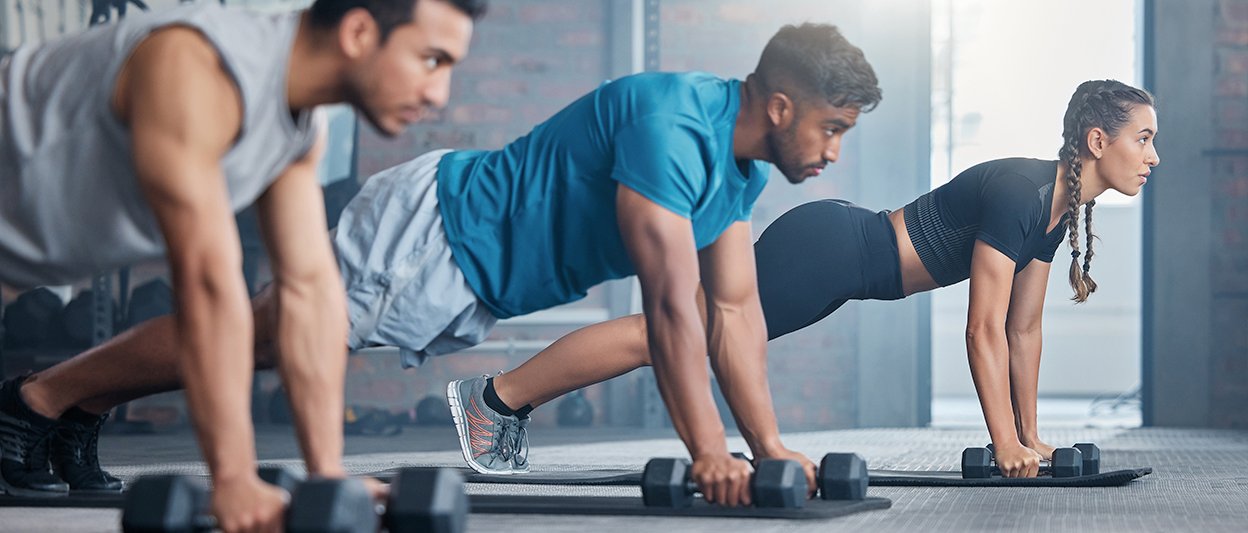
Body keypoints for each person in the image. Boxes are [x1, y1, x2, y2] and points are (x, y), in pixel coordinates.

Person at [20, 22, 883, 507]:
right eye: (833, 129)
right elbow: (669, 312)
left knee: (257, 336)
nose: (835, 152)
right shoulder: (674, 127)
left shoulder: (733, 175)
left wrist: (767, 446)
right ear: (780, 106)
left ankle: (68, 406)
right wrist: (708, 452)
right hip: (434, 233)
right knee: (259, 336)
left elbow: (733, 315)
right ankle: (39, 400)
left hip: (463, 263)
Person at [481, 79, 1159, 480]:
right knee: (670, 335)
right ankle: (496, 399)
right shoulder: (1021, 191)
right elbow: (982, 326)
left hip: (846, 259)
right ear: (1098, 141)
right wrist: (1003, 441)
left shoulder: (1056, 208)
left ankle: (502, 400)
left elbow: (1023, 327)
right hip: (831, 251)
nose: (1153, 156)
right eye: (1144, 138)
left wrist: (1029, 436)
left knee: (676, 333)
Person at [0, 0, 482, 530]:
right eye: (432, 60)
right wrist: (231, 480)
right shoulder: (195, 66)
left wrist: (327, 477)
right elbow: (208, 284)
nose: (440, 93)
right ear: (359, 31)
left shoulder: (299, 129)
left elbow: (308, 291)